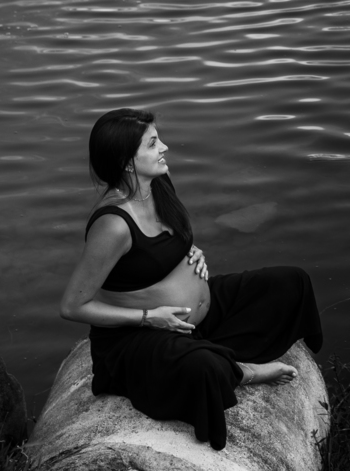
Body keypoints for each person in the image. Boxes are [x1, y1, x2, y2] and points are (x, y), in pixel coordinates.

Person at [60, 109, 323, 450]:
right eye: (153, 143)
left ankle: (213, 347)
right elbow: (72, 305)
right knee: (203, 368)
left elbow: (168, 236)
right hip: (139, 337)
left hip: (198, 316)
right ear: (127, 162)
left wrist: (192, 250)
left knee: (291, 283)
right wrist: (149, 318)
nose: (164, 147)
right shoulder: (113, 224)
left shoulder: (157, 184)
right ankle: (244, 372)